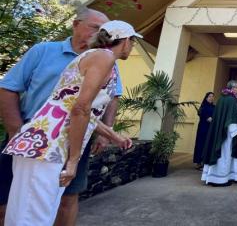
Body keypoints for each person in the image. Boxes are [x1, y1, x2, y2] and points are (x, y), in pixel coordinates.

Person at [2, 20, 138, 226]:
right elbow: (80, 109)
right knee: (33, 218)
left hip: (41, 142)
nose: (133, 46)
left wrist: (113, 136)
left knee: (26, 213)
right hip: (49, 145)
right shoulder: (105, 57)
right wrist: (73, 161)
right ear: (126, 40)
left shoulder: (91, 56)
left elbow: (73, 107)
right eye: (133, 41)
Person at [201, 80, 237, 186]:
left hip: (218, 131)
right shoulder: (232, 100)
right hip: (227, 132)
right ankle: (220, 179)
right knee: (224, 154)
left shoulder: (221, 98)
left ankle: (213, 177)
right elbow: (231, 118)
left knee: (219, 152)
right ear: (232, 88)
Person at [193, 92, 215, 169]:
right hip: (203, 127)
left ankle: (205, 162)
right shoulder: (203, 106)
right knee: (201, 144)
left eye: (212, 96)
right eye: (210, 96)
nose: (211, 98)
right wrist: (208, 118)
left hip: (210, 128)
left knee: (208, 144)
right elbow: (201, 114)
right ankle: (198, 162)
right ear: (206, 97)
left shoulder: (214, 107)